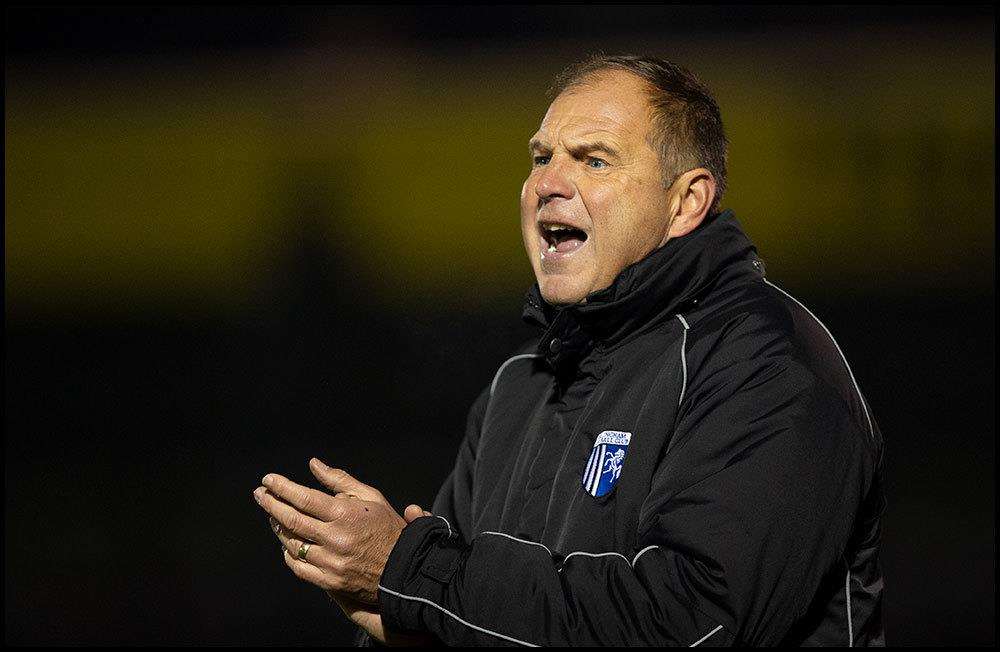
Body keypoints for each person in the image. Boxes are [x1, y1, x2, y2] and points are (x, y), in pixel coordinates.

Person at [252, 54, 886, 646]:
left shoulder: (767, 363)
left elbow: (693, 621)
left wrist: (414, 575)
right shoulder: (517, 387)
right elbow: (480, 619)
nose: (548, 183)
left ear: (686, 202)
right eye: (541, 157)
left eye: (594, 160)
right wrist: (405, 618)